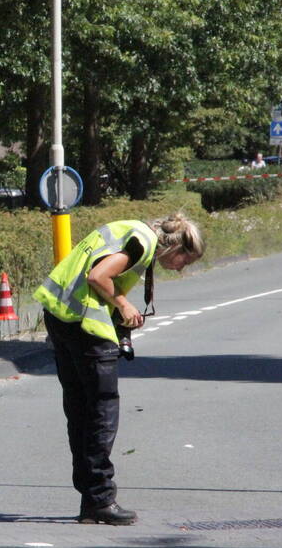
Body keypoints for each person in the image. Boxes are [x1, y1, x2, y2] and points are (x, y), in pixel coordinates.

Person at [33, 214, 204, 525]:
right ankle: (99, 499)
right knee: (102, 409)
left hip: (60, 316)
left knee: (80, 408)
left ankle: (92, 497)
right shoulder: (142, 241)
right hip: (84, 323)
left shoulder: (131, 230)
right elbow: (98, 277)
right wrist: (124, 305)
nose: (181, 269)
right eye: (185, 261)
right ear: (176, 248)